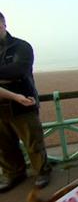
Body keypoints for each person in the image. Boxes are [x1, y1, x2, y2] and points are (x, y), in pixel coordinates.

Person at [0, 11, 51, 192]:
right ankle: (13, 174)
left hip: (24, 104)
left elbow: (18, 70)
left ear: (4, 24)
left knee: (33, 142)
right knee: (4, 147)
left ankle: (42, 171)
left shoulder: (21, 46)